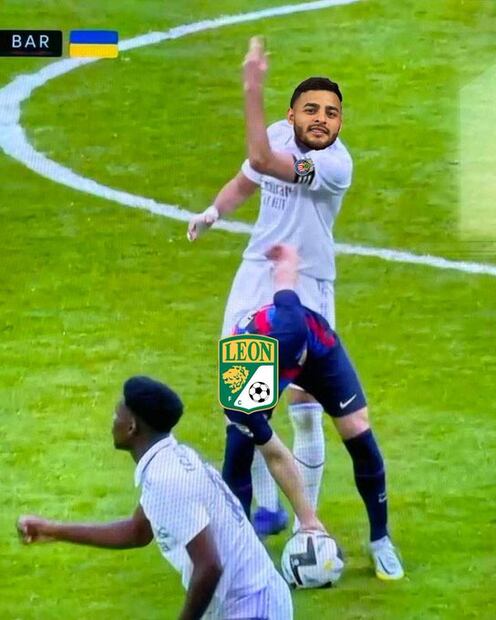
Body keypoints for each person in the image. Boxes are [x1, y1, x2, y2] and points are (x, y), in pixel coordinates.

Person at [188, 36, 353, 537]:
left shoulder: (333, 165)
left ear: (340, 123)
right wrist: (213, 211)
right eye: (311, 110)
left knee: (304, 405)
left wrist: (251, 88)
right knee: (245, 400)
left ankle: (309, 526)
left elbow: (261, 161)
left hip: (308, 283)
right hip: (257, 275)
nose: (321, 119)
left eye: (331, 113)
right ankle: (266, 508)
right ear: (292, 114)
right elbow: (247, 179)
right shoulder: (280, 135)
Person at [17, 376, 293, 619]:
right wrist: (51, 529)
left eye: (116, 415)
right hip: (252, 599)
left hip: (253, 607)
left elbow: (209, 566)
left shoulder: (166, 479)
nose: (112, 422)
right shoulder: (170, 459)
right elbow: (137, 532)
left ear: (131, 427)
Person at [222, 244, 405, 581]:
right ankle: (241, 548)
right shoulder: (241, 375)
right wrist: (308, 517)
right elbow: (275, 454)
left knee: (357, 429)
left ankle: (381, 541)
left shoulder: (293, 322)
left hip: (321, 354)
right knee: (239, 450)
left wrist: (286, 257)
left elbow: (285, 281)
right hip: (260, 366)